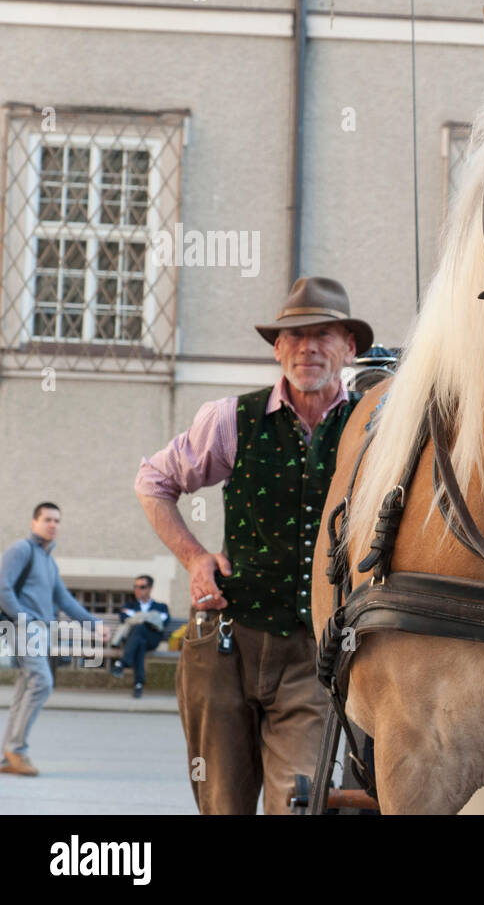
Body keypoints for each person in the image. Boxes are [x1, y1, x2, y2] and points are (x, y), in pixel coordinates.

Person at [134, 277, 370, 814]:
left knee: (299, 802)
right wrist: (194, 558)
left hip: (315, 651)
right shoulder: (229, 419)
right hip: (224, 643)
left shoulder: (372, 425)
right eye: (295, 335)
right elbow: (153, 482)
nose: (308, 347)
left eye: (324, 335)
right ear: (277, 348)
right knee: (222, 805)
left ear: (349, 347)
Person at [0, 503, 108, 776]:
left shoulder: (48, 560)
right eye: (47, 519)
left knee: (26, 688)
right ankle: (17, 750)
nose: (53, 525)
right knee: (42, 682)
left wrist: (92, 624)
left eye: (57, 520)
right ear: (33, 522)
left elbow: (64, 600)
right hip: (26, 628)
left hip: (41, 631)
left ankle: (10, 753)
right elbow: (2, 585)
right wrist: (24, 618)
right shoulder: (21, 550)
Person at [109, 575, 171, 698]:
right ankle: (138, 684)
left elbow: (162, 622)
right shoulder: (130, 605)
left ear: (150, 588)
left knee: (139, 629)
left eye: (142, 587)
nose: (138, 590)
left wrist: (138, 618)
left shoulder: (161, 606)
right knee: (139, 641)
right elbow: (123, 618)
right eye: (136, 587)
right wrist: (148, 618)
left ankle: (122, 663)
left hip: (152, 639)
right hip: (135, 640)